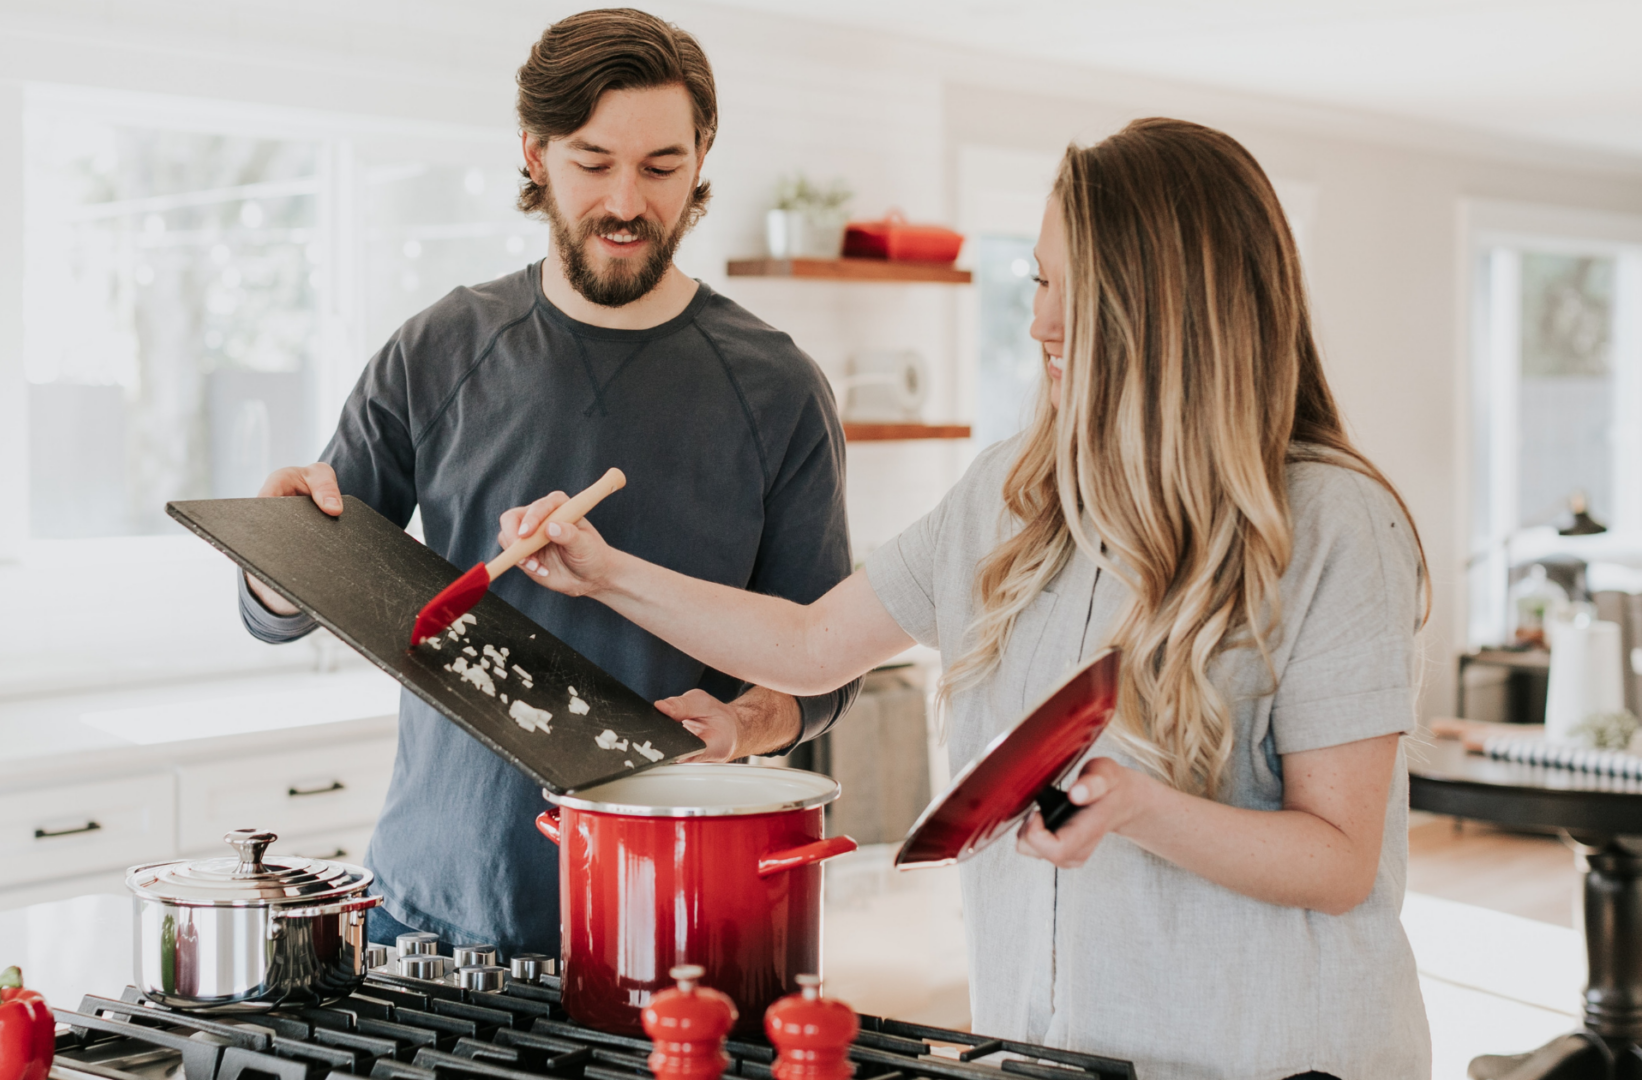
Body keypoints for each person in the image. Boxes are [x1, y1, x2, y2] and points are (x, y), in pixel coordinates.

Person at [500, 118, 1431, 1080]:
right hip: (1044, 1051)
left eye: (1076, 289)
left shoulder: (1332, 521)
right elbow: (815, 643)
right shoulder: (1008, 497)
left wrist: (1139, 807)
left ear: (1173, 308)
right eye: (1038, 280)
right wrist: (604, 571)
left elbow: (1339, 860)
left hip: (1273, 1059)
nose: (1040, 323)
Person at [238, 8, 858, 958]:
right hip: (431, 914)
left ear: (700, 160)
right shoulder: (438, 349)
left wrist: (744, 723)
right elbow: (297, 592)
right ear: (534, 153)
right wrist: (274, 560)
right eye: (592, 161)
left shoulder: (777, 389)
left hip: (675, 918)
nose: (626, 201)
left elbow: (825, 668)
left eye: (660, 167)